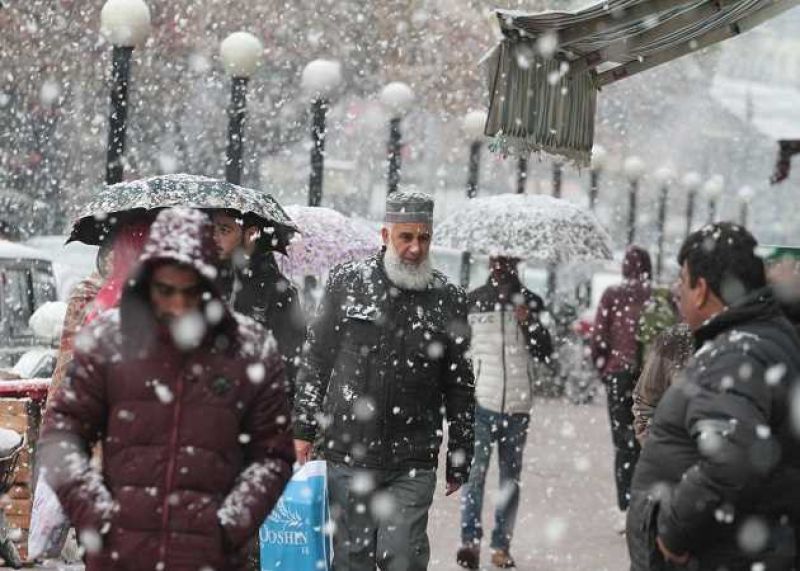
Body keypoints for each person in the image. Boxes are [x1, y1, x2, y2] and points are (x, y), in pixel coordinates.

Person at [38, 208, 295, 570]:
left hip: (210, 554)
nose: (177, 304)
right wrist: (97, 515)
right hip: (121, 552)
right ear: (147, 282)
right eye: (166, 290)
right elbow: (62, 436)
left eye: (190, 291)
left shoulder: (249, 350)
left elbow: (272, 454)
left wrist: (229, 524)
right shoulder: (108, 342)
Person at [293, 190, 475, 571]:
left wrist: (460, 455)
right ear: (385, 235)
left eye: (423, 238)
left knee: (402, 556)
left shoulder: (447, 298)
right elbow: (317, 358)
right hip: (350, 452)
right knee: (351, 559)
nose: (415, 248)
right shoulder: (347, 283)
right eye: (405, 237)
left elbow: (459, 383)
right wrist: (303, 427)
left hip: (412, 457)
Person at [627, 222, 800, 570]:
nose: (678, 291)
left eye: (683, 280)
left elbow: (730, 458)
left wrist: (672, 534)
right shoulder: (766, 338)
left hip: (717, 555)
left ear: (702, 290)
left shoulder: (735, 355)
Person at [456, 256, 552, 569]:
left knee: (510, 478)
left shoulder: (531, 301)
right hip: (482, 401)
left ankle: (501, 545)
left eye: (506, 261)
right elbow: (459, 348)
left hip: (517, 406)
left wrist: (529, 322)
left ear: (516, 263)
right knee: (474, 476)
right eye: (497, 261)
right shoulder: (473, 300)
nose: (501, 267)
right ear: (490, 262)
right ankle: (470, 543)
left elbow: (546, 351)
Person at [211, 209, 306, 398]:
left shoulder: (279, 291)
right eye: (212, 229)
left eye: (224, 230)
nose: (214, 237)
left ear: (251, 234)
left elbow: (288, 362)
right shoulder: (208, 280)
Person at [590, 246, 652, 511]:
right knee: (648, 442)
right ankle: (644, 502)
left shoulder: (613, 295)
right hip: (650, 378)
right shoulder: (656, 296)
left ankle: (625, 506)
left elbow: (599, 338)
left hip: (619, 374)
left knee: (623, 443)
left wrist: (605, 369)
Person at [631, 324, 692, 445]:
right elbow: (645, 403)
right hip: (674, 454)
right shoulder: (674, 340)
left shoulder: (735, 343)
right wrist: (654, 445)